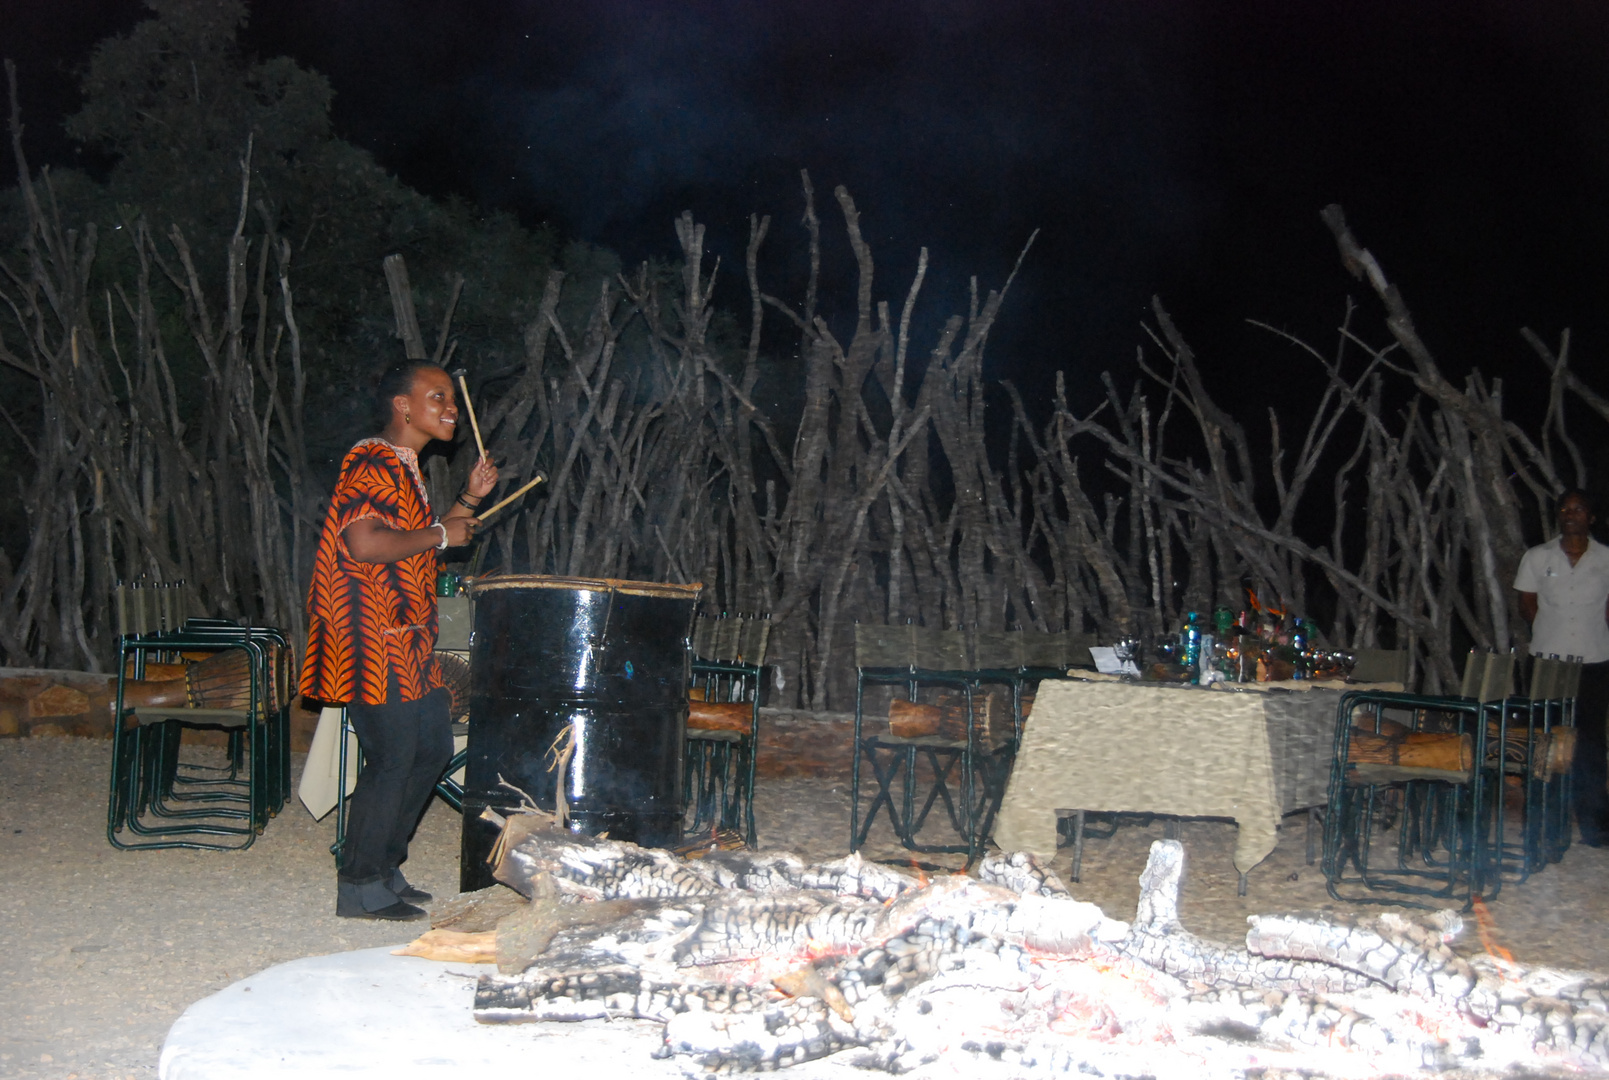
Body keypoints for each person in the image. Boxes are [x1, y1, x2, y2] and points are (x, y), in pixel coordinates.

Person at [300, 360, 498, 918]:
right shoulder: (370, 459)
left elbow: (421, 543)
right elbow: (364, 545)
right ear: (403, 406)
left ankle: (383, 867)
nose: (452, 409)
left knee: (431, 748)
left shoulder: (401, 466)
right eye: (438, 397)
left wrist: (468, 500)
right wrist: (440, 530)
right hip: (369, 635)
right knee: (392, 757)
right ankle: (359, 886)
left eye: (452, 399)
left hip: (406, 637)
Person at [1514, 487, 1609, 847]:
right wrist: (1552, 635)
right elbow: (1527, 606)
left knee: (1590, 743)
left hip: (1594, 659)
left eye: (1579, 509)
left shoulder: (1606, 559)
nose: (1571, 514)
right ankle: (1542, 825)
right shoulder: (1538, 557)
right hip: (1548, 662)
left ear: (1592, 517)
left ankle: (1595, 826)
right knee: (1544, 742)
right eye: (1565, 509)